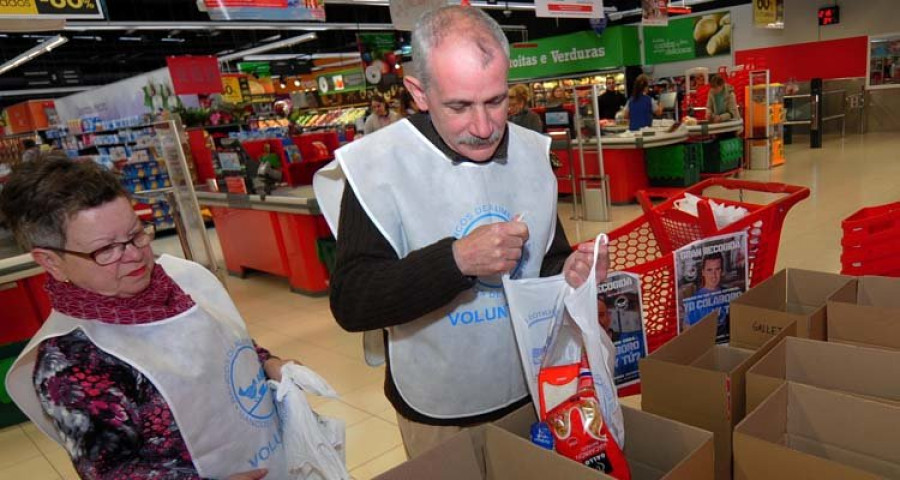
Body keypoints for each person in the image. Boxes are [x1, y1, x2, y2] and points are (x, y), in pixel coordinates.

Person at [313, 5, 609, 459]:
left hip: (532, 386)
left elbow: (546, 257)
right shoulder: (377, 166)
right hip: (438, 409)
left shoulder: (532, 152)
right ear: (420, 92)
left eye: (496, 100)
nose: (484, 126)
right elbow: (352, 301)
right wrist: (455, 261)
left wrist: (570, 269)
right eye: (459, 106)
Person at [1, 154, 292, 480]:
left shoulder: (184, 278)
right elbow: (111, 470)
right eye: (106, 249)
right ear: (51, 261)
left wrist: (268, 362)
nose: (135, 254)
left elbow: (230, 343)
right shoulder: (70, 362)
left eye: (136, 233)